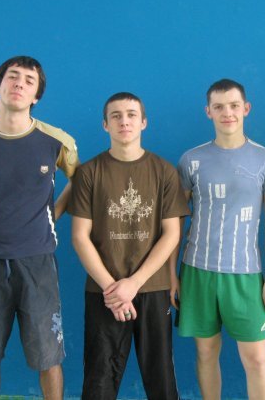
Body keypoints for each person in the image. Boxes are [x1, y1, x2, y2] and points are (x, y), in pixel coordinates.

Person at [0, 55, 79, 400]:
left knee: (48, 357)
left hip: (37, 262)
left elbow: (81, 183)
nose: (19, 84)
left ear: (36, 95)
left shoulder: (57, 142)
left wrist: (50, 215)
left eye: (29, 80)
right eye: (13, 76)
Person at [68, 92, 189, 400]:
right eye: (116, 116)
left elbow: (171, 234)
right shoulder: (89, 172)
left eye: (132, 114)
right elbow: (79, 236)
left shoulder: (164, 171)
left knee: (161, 378)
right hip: (103, 291)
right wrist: (113, 290)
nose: (124, 121)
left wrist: (133, 284)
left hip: (153, 287)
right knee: (99, 379)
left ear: (144, 122)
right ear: (105, 125)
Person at [172, 79, 265, 399]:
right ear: (208, 112)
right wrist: (171, 275)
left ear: (246, 109)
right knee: (206, 352)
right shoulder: (190, 159)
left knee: (256, 358)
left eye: (234, 106)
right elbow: (175, 222)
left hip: (246, 274)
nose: (227, 113)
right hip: (197, 271)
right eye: (219, 107)